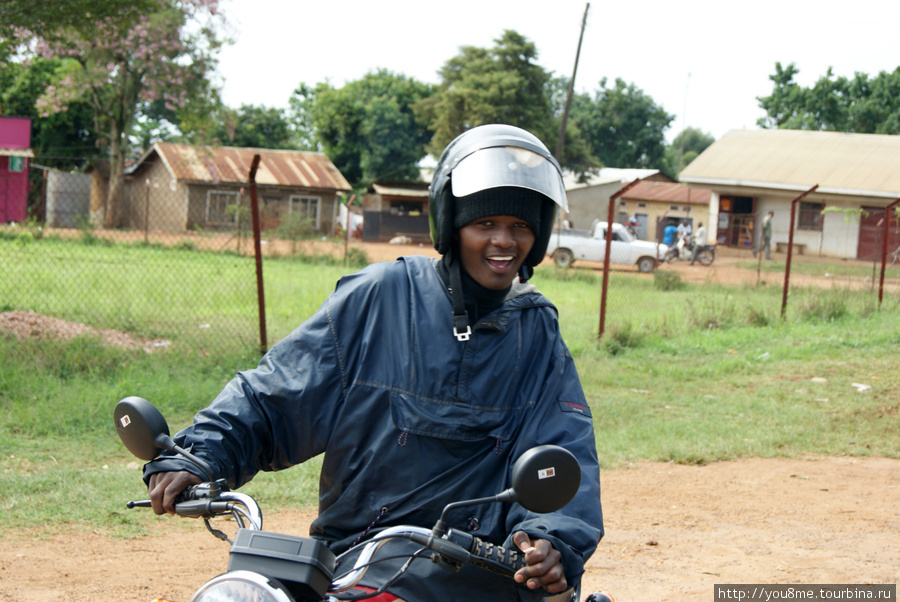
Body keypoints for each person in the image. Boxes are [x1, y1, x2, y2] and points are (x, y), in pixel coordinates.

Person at [144, 124, 604, 601]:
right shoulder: (380, 298)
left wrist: (551, 539)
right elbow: (279, 391)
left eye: (521, 226)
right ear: (451, 223)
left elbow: (562, 449)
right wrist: (201, 454)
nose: (504, 241)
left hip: (481, 569)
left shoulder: (535, 334)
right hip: (355, 561)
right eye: (484, 224)